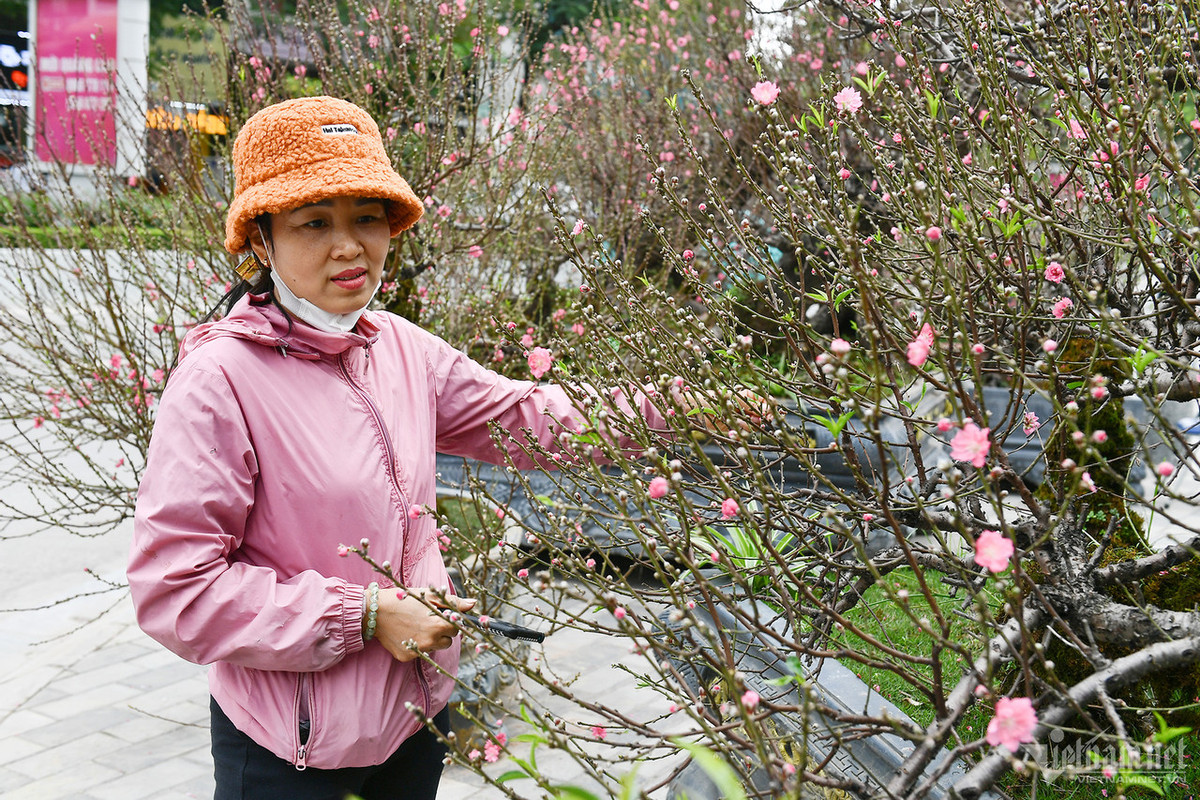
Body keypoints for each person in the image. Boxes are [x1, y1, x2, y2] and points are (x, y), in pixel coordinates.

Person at [127, 96, 670, 800]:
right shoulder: (220, 382)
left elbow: (529, 417)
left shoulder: (399, 348)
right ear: (260, 240)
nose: (350, 246)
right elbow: (178, 588)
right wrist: (367, 615)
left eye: (367, 217)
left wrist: (684, 408)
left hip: (414, 725)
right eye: (314, 222)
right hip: (291, 758)